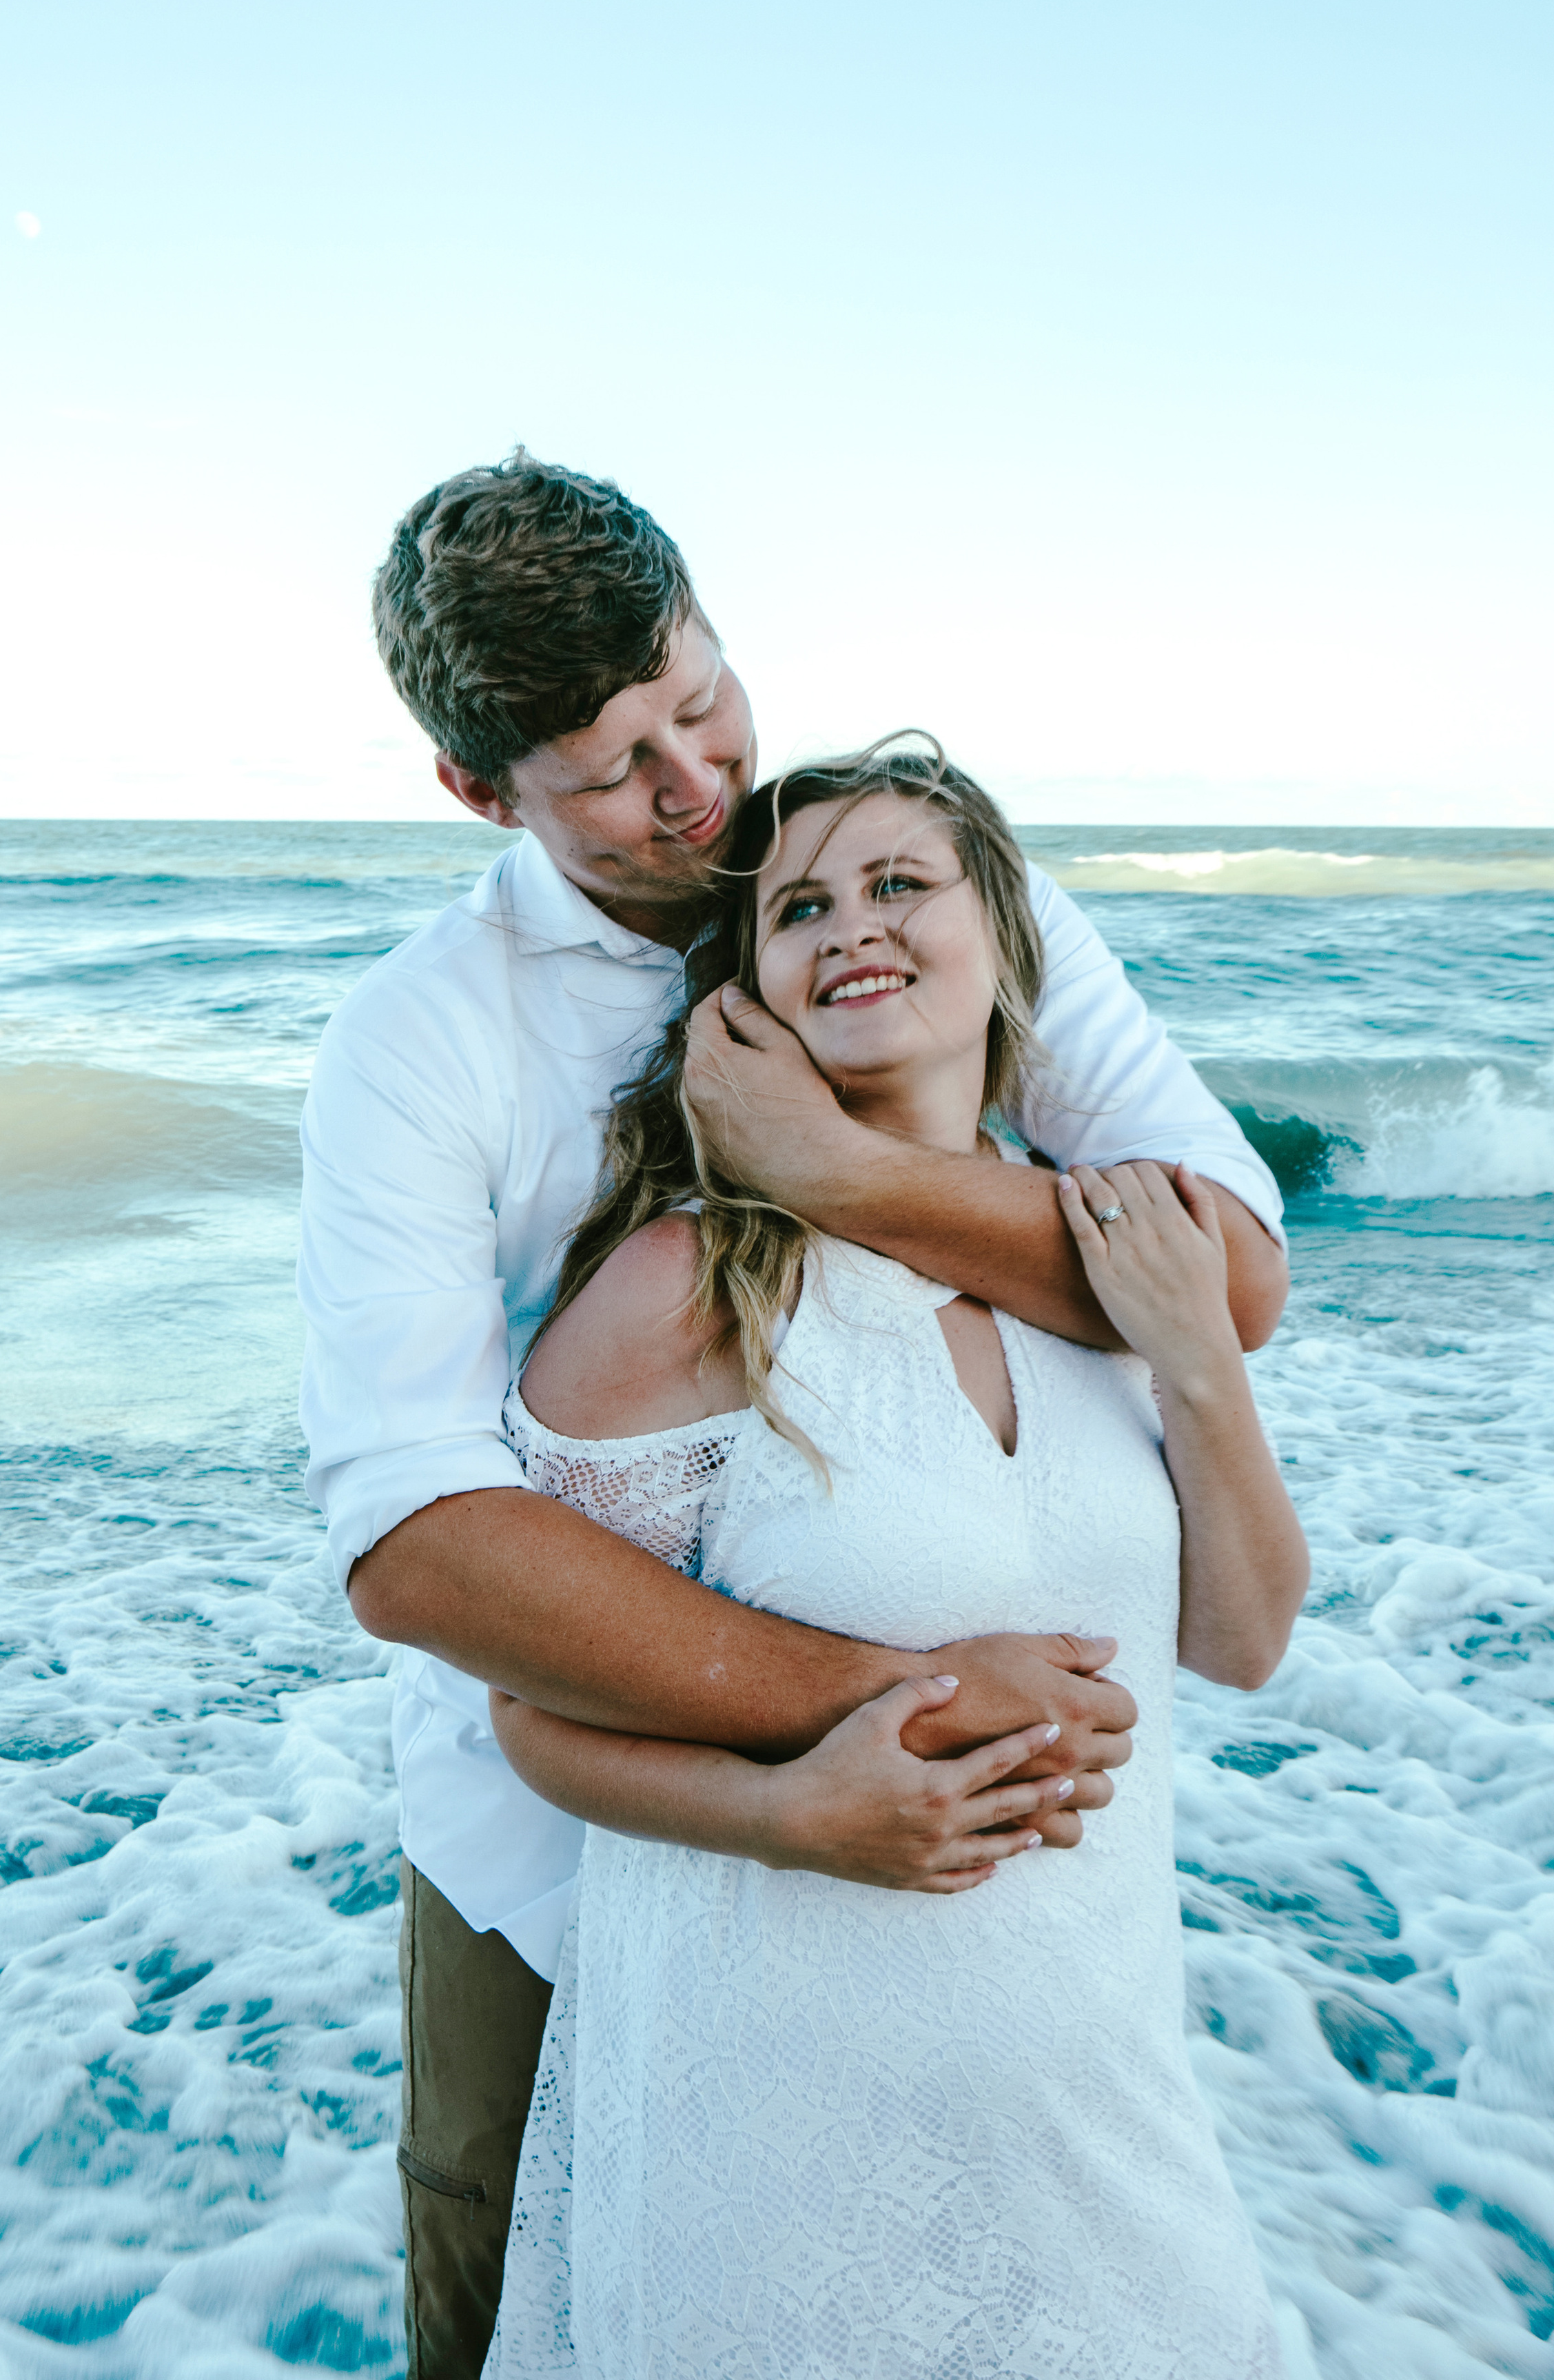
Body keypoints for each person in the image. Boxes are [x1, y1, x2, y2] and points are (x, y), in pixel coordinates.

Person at [297, 451, 1289, 2374]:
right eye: (610, 769)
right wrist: (862, 1722)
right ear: (476, 791)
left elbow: (1225, 1279)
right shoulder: (423, 1044)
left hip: (981, 1821)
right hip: (563, 1818)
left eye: (699, 697)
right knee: (528, 2288)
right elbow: (420, 1545)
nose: (696, 787)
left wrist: (836, 1174)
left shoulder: (890, 883)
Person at [480, 742, 1307, 2375]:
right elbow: (532, 1707)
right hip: (780, 2094)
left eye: (898, 885)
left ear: (1003, 943)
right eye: (796, 909)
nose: (849, 926)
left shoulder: (1113, 1246)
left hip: (1095, 2068)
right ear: (753, 1002)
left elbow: (1238, 1639)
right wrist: (787, 1810)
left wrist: (1197, 1363)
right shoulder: (682, 1293)